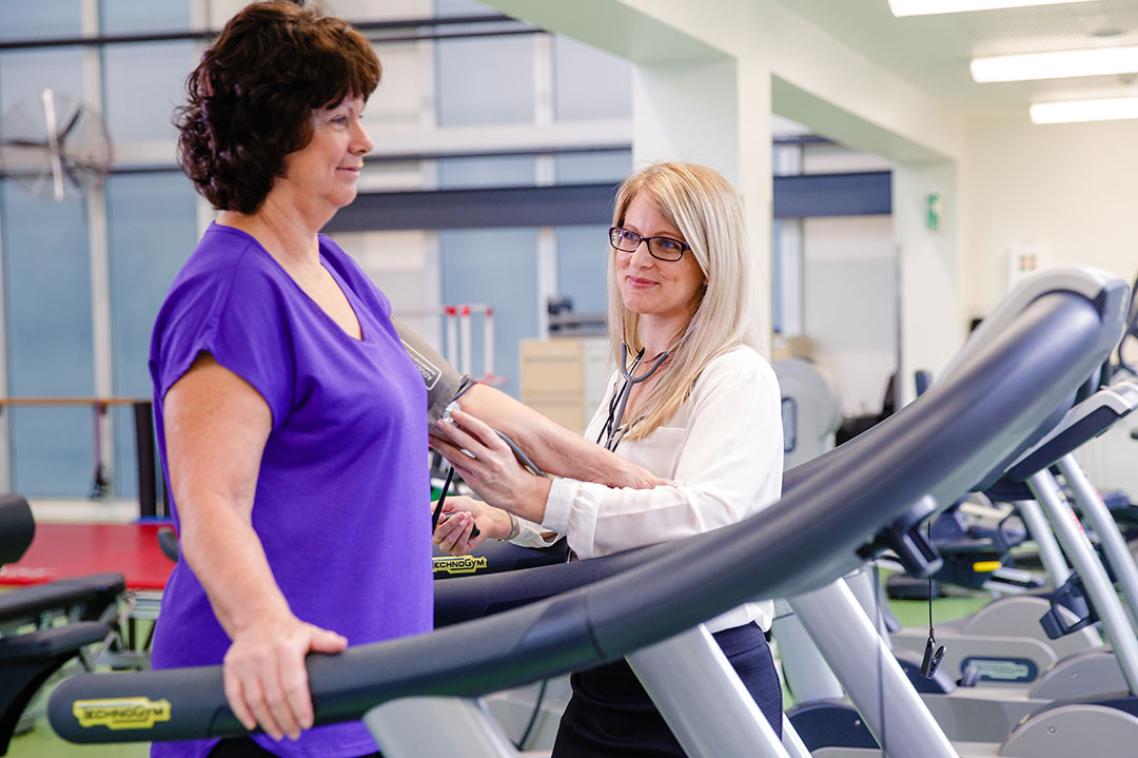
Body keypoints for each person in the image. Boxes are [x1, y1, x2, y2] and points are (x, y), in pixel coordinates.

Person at [431, 162, 785, 754]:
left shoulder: (735, 375)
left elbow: (709, 518)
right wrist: (509, 519)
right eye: (629, 234)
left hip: (701, 668)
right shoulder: (631, 375)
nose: (638, 258)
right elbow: (603, 519)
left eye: (668, 244)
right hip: (615, 661)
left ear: (709, 263)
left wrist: (539, 495)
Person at [149, 4, 412, 756]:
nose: (364, 141)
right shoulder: (232, 290)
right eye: (338, 119)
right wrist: (265, 624)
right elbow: (211, 500)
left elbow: (430, 399)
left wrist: (601, 479)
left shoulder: (332, 269)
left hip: (363, 690)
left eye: (360, 116)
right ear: (273, 129)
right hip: (267, 708)